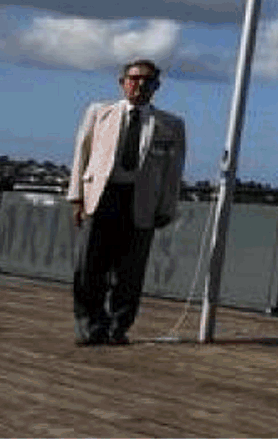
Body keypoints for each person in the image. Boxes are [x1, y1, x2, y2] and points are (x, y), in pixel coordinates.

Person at [67, 58, 186, 346]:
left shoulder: (170, 124)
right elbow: (81, 155)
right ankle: (90, 326)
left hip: (140, 201)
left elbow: (173, 171)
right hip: (101, 197)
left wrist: (166, 208)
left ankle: (118, 327)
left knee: (130, 272)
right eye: (134, 79)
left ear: (157, 86)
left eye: (147, 81)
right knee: (89, 267)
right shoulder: (100, 113)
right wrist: (77, 198)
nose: (140, 85)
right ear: (123, 83)